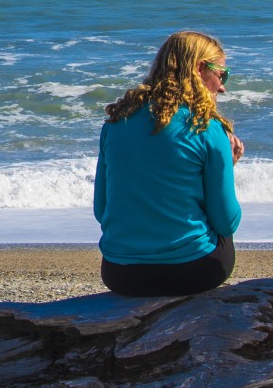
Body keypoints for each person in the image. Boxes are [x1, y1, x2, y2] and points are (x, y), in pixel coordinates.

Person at [94, 31, 244, 298]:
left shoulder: (116, 123)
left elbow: (101, 210)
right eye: (222, 74)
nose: (222, 87)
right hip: (192, 272)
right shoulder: (207, 127)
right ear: (200, 69)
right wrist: (225, 168)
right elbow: (226, 222)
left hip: (120, 273)